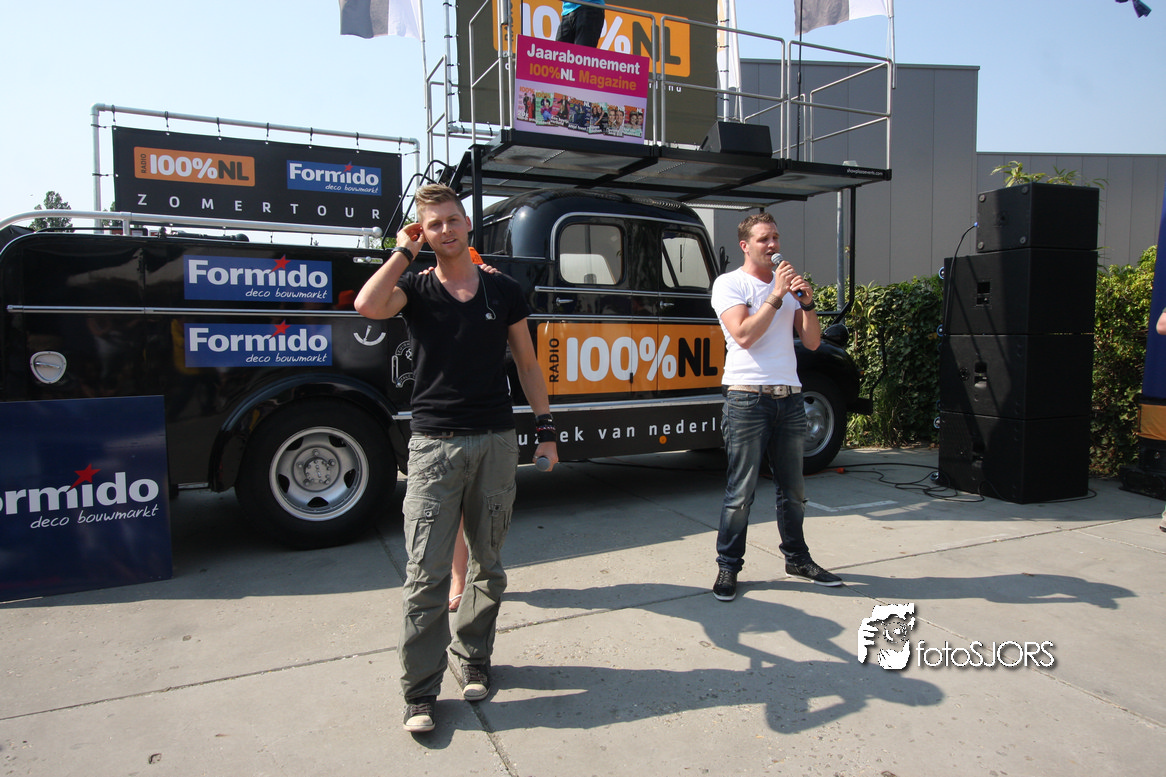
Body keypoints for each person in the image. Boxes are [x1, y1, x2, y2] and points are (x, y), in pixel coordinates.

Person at [354, 183, 559, 734]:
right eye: (433, 224)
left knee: (488, 566)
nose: (445, 229)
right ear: (423, 232)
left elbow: (527, 363)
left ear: (468, 224)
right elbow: (367, 305)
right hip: (434, 447)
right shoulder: (415, 288)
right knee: (425, 574)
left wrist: (546, 429)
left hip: (495, 441)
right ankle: (420, 692)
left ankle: (474, 658)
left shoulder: (503, 289)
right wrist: (403, 251)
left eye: (452, 219)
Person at [710, 211, 842, 602]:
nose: (773, 245)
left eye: (776, 238)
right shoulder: (730, 283)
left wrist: (808, 305)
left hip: (790, 397)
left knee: (794, 490)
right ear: (745, 245)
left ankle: (797, 559)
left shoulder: (787, 288)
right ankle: (728, 567)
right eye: (764, 239)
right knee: (741, 492)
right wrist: (776, 296)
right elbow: (744, 335)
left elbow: (813, 343)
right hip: (747, 397)